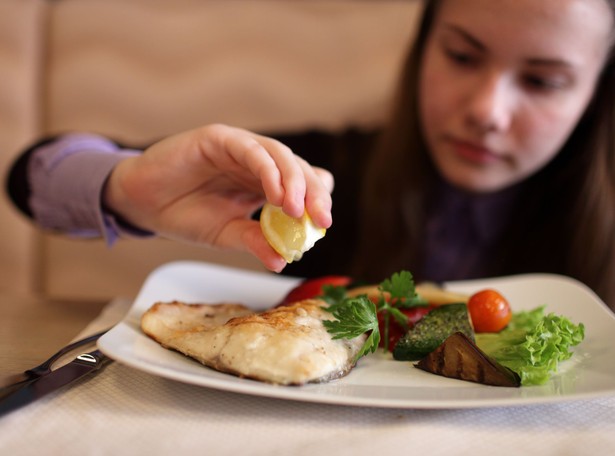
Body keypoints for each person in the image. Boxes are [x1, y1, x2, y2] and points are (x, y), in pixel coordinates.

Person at [6, 0, 615, 309]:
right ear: (422, 48)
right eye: (461, 55)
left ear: (594, 96)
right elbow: (30, 178)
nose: (487, 109)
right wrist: (125, 186)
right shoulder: (321, 172)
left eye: (542, 81)